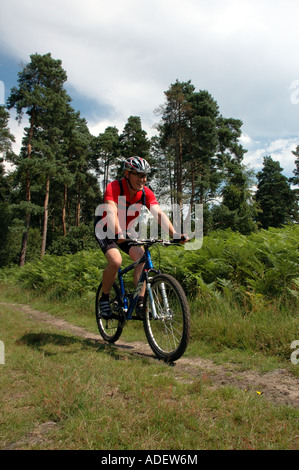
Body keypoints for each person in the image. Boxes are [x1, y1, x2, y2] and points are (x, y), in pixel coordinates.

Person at [94, 156, 188, 319]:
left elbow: (159, 214)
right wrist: (118, 233)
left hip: (125, 229)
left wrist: (175, 234)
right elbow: (111, 212)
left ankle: (140, 303)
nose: (142, 179)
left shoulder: (145, 193)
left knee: (142, 259)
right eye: (138, 174)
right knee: (116, 261)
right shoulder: (114, 187)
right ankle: (104, 298)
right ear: (127, 174)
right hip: (105, 227)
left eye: (144, 175)